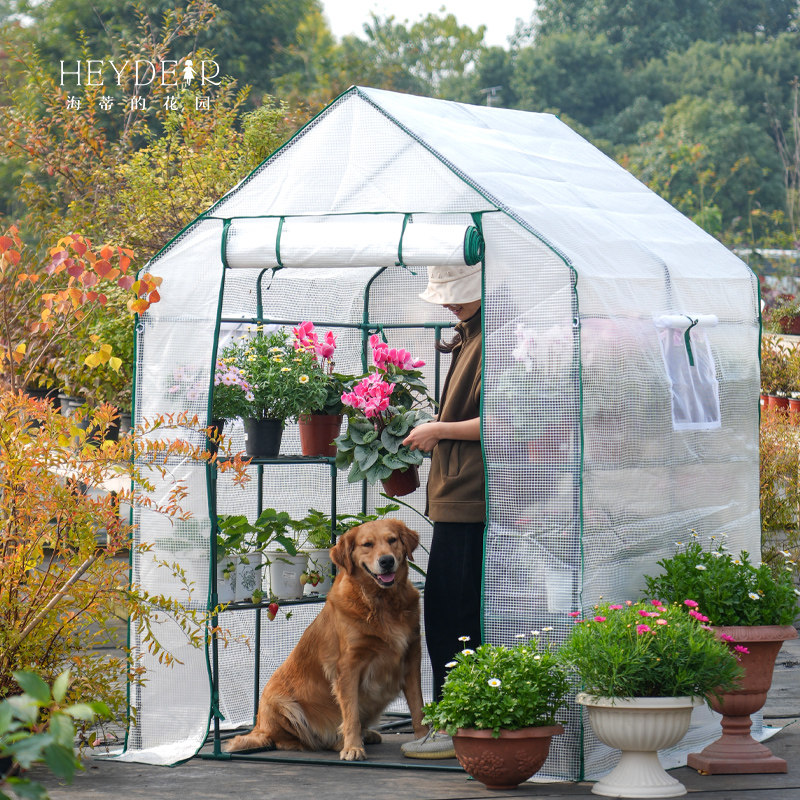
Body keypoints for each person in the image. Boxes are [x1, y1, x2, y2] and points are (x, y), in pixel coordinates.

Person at [400, 262, 485, 759]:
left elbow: (512, 418)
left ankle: (457, 726)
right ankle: (458, 722)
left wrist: (440, 431)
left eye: (458, 293)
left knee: (453, 614)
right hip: (459, 492)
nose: (450, 302)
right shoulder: (471, 333)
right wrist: (436, 426)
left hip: (470, 496)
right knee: (453, 611)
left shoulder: (493, 337)